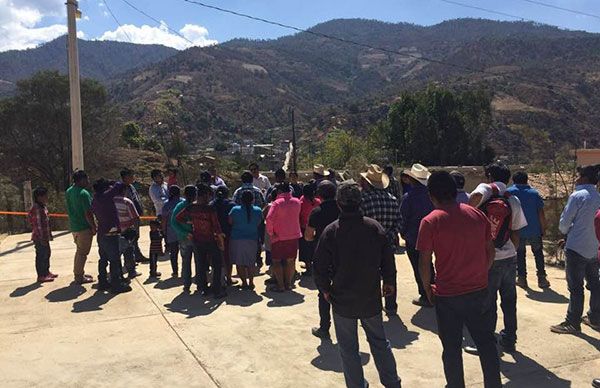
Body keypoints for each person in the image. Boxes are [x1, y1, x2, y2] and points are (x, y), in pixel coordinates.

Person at [417, 171, 501, 388]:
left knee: (452, 349)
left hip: (448, 296)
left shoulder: (430, 221)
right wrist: (481, 273)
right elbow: (490, 251)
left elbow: (424, 261)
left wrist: (427, 288)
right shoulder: (476, 215)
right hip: (479, 291)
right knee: (486, 344)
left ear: (431, 195)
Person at [314, 180, 401, 388]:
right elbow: (387, 257)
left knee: (348, 348)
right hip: (370, 296)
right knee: (380, 343)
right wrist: (389, 281)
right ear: (360, 202)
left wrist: (325, 289)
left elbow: (319, 265)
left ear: (338, 203)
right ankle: (392, 383)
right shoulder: (374, 227)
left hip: (342, 299)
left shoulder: (331, 231)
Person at [469, 162, 527, 353]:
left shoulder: (485, 189)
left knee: (487, 301)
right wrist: (509, 251)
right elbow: (516, 233)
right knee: (509, 301)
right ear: (508, 179)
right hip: (509, 256)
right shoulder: (513, 200)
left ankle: (487, 343)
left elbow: (474, 199)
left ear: (489, 176)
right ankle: (510, 339)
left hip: (488, 257)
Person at [551, 165, 600, 334]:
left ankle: (572, 322)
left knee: (576, 288)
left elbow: (564, 223)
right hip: (594, 248)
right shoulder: (598, 197)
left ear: (585, 178)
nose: (577, 179)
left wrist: (565, 233)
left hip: (576, 247)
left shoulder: (578, 196)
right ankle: (595, 318)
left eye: (579, 176)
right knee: (595, 285)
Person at [360, 164, 401, 315]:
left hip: (368, 246)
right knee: (390, 274)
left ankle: (373, 305)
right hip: (388, 245)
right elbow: (399, 222)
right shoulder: (392, 199)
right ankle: (391, 306)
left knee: (370, 277)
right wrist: (389, 235)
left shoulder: (363, 200)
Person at [176, 183, 226, 298]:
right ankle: (217, 290)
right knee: (217, 264)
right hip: (210, 240)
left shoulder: (191, 207)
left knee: (202, 265)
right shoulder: (209, 208)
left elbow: (178, 218)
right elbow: (216, 226)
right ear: (205, 195)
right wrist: (221, 241)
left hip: (197, 239)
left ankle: (204, 289)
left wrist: (191, 222)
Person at [305, 181, 339, 339]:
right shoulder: (341, 209)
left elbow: (308, 235)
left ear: (319, 194)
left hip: (322, 255)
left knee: (323, 291)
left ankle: (324, 327)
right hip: (341, 254)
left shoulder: (316, 212)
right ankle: (343, 325)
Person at [507, 171, 550, 289]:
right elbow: (540, 213)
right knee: (538, 254)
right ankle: (542, 278)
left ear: (514, 180)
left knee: (520, 254)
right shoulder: (534, 193)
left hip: (517, 229)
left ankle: (522, 278)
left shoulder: (509, 193)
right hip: (534, 229)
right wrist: (543, 228)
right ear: (527, 180)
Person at [400, 164, 435, 308]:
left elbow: (403, 218)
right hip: (432, 236)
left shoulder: (408, 197)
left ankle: (425, 295)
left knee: (418, 266)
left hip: (413, 237)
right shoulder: (431, 195)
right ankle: (434, 290)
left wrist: (403, 233)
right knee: (429, 264)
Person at [91, 179, 131, 294]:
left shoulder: (95, 199)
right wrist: (111, 183)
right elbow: (119, 185)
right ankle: (116, 284)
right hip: (111, 233)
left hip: (101, 232)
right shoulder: (106, 196)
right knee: (114, 260)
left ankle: (102, 282)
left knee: (103, 259)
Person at [266, 182, 302, 291]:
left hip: (279, 237)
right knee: (290, 261)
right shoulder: (297, 202)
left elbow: (269, 218)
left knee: (277, 261)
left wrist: (271, 232)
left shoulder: (276, 203)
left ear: (279, 191)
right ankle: (289, 284)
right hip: (293, 235)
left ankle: (281, 286)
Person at [65, 170, 95, 284]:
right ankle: (78, 276)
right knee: (82, 253)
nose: (88, 181)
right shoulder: (83, 193)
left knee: (79, 251)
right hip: (83, 227)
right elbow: (88, 213)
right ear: (81, 180)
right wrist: (93, 226)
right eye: (86, 179)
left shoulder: (69, 191)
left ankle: (79, 272)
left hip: (74, 226)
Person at [229, 190, 263, 290]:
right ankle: (251, 282)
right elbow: (260, 222)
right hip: (252, 239)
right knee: (250, 262)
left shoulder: (235, 210)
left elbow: (230, 221)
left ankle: (244, 283)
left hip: (237, 239)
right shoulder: (258, 210)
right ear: (252, 200)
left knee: (240, 263)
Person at [171, 185, 198, 293]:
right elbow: (174, 222)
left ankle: (198, 282)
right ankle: (187, 284)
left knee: (196, 261)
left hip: (196, 237)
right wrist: (185, 233)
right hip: (185, 238)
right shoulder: (181, 206)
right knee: (187, 262)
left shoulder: (196, 206)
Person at [28, 187, 56, 283]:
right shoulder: (37, 208)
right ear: (39, 197)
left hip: (45, 237)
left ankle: (46, 272)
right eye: (45, 196)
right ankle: (41, 275)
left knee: (47, 254)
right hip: (40, 237)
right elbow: (38, 224)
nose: (47, 197)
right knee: (41, 255)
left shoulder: (42, 206)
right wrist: (41, 237)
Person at [114, 186, 141, 279]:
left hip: (115, 232)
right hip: (127, 232)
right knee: (129, 253)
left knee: (116, 255)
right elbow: (135, 218)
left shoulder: (110, 202)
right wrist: (137, 232)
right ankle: (131, 272)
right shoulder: (127, 201)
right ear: (124, 191)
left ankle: (118, 275)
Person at [120, 168, 147, 263]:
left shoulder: (131, 187)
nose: (132, 178)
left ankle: (137, 255)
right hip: (128, 218)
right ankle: (130, 260)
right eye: (130, 176)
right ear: (124, 178)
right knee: (129, 238)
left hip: (135, 215)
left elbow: (136, 199)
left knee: (135, 236)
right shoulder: (121, 188)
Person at [212, 186, 236, 285]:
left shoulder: (211, 205)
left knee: (216, 257)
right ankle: (229, 278)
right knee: (227, 257)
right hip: (228, 234)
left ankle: (217, 279)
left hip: (214, 234)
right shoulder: (231, 205)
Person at [299, 183, 321, 276]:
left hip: (305, 227)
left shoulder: (302, 201)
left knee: (306, 249)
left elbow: (299, 214)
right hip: (317, 227)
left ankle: (308, 269)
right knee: (315, 248)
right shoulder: (318, 201)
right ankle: (315, 267)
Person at [162, 185, 183, 277]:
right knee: (185, 253)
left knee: (173, 253)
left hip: (171, 231)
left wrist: (164, 231)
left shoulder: (167, 204)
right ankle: (185, 270)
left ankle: (175, 271)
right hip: (183, 230)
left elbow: (164, 220)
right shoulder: (183, 202)